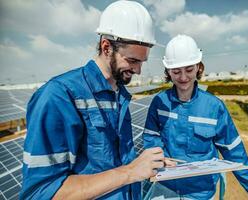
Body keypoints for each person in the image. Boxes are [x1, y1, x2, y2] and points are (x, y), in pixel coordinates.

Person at [20, 1, 165, 199]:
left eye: (142, 62)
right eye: (132, 60)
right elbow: (40, 193)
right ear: (106, 47)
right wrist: (131, 171)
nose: (138, 70)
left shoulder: (119, 94)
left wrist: (148, 164)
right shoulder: (59, 96)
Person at [143, 35, 248, 200]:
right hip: (166, 186)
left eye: (189, 69)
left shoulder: (214, 107)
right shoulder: (159, 102)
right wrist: (158, 157)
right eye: (176, 71)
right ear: (168, 71)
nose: (183, 77)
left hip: (201, 193)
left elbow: (234, 152)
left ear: (198, 67)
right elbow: (151, 136)